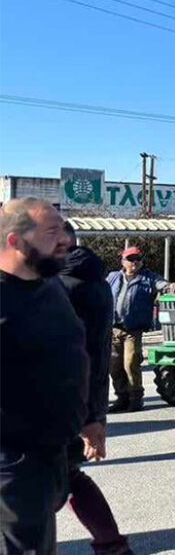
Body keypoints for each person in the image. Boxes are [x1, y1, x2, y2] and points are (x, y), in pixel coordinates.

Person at [0, 198, 89, 554]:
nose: (65, 239)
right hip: (11, 460)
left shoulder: (49, 287)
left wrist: (90, 418)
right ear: (15, 241)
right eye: (51, 231)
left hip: (51, 454)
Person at [59, 222, 133, 555]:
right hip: (81, 400)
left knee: (44, 486)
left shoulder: (62, 285)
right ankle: (112, 545)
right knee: (70, 478)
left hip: (60, 402)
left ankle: (112, 545)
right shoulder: (94, 279)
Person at [106, 247, 175, 413]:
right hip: (113, 329)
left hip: (133, 330)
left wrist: (171, 286)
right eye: (131, 258)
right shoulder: (113, 277)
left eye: (138, 258)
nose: (135, 262)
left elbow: (164, 285)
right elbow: (101, 291)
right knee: (114, 366)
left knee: (131, 363)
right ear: (123, 261)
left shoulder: (149, 278)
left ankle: (136, 399)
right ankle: (121, 397)